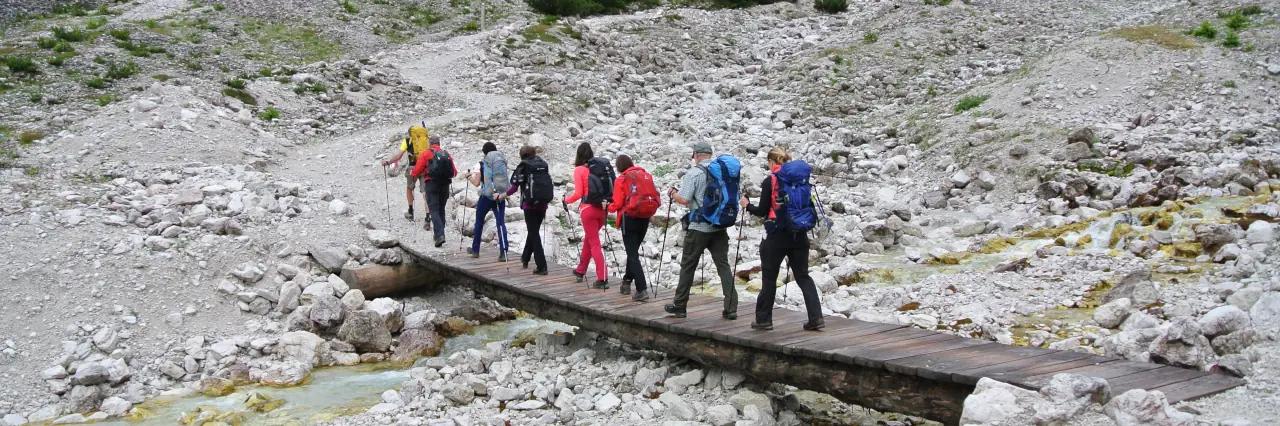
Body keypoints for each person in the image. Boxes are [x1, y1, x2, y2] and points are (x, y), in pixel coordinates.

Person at [740, 147, 824, 331]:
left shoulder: (771, 180)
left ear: (771, 162)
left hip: (777, 235)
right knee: (803, 276)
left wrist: (747, 205)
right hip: (799, 233)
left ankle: (764, 320)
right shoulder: (800, 180)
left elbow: (762, 211)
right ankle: (816, 317)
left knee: (769, 278)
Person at [664, 142, 738, 320]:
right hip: (719, 226)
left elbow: (684, 199)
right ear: (710, 154)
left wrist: (673, 194)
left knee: (688, 265)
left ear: (696, 155)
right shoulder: (724, 172)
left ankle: (680, 306)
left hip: (699, 227)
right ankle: (731, 307)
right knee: (723, 266)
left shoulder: (694, 173)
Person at [607, 154, 656, 301]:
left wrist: (607, 207)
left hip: (629, 219)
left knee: (632, 254)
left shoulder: (621, 179)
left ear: (619, 167)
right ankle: (627, 282)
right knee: (632, 251)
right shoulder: (645, 175)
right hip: (645, 217)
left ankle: (642, 289)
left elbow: (617, 203)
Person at [564, 142, 608, 289]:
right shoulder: (598, 168)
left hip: (588, 210)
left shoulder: (579, 170)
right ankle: (580, 270)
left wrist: (566, 200)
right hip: (602, 210)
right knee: (589, 240)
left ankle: (602, 278)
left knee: (594, 243)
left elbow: (578, 193)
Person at [505, 145, 550, 275]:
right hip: (542, 204)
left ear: (522, 155)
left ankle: (542, 266)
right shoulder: (542, 164)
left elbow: (514, 187)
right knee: (533, 231)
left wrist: (503, 195)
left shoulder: (524, 166)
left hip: (529, 205)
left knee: (534, 233)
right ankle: (525, 258)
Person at [409, 136, 456, 247]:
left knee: (433, 210)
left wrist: (413, 174)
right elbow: (454, 172)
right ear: (439, 143)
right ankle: (439, 235)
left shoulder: (425, 154)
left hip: (431, 184)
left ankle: (440, 235)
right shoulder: (446, 154)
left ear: (430, 144)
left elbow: (417, 170)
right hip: (445, 185)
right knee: (441, 210)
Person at [466, 142, 510, 261]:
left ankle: (475, 250)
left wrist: (469, 177)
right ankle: (503, 252)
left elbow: (476, 183)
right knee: (500, 223)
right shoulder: (501, 161)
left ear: (484, 153)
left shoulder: (482, 163)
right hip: (500, 196)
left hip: (486, 197)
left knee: (479, 221)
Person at [382, 125, 431, 222]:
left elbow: (399, 156)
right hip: (425, 168)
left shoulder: (407, 140)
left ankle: (410, 211)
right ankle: (428, 216)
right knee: (425, 192)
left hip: (412, 168)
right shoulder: (426, 140)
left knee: (409, 188)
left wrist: (388, 162)